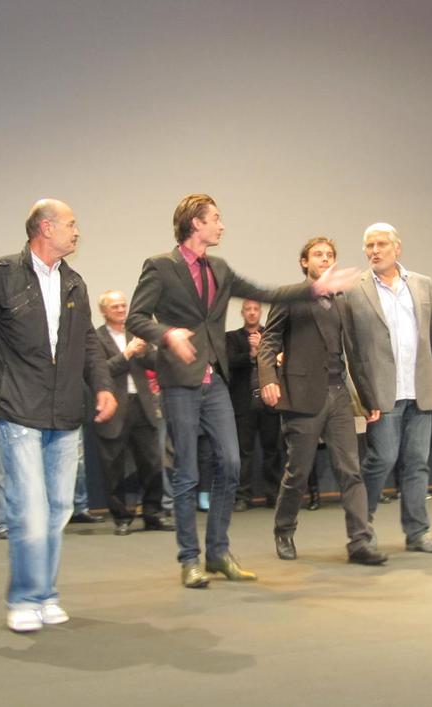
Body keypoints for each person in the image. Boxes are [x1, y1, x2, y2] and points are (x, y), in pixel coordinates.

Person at [126, 193, 357, 588]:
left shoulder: (219, 268)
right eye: (215, 218)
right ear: (196, 223)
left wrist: (314, 289)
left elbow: (266, 293)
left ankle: (218, 553)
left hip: (214, 379)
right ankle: (189, 559)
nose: (222, 225)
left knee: (231, 464)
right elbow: (136, 317)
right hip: (179, 381)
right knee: (186, 473)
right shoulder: (160, 266)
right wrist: (167, 334)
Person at [0, 198, 116, 633]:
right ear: (45, 228)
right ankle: (23, 599)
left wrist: (102, 385)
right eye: (71, 224)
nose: (77, 231)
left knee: (58, 509)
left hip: (65, 415)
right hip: (18, 411)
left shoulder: (74, 283)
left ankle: (46, 595)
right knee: (31, 510)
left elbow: (88, 344)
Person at [258, 237, 385, 565]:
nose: (325, 259)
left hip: (338, 394)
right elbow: (269, 341)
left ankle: (360, 541)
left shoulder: (342, 300)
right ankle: (284, 529)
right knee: (298, 472)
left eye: (330, 255)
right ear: (305, 262)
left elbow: (354, 351)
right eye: (318, 254)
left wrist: (368, 397)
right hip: (301, 395)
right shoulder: (290, 295)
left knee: (351, 471)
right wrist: (269, 378)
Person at [343, 222, 432, 554]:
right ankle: (362, 529)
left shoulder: (422, 284)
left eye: (381, 244)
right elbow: (351, 348)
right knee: (382, 458)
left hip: (419, 387)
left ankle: (418, 533)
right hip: (382, 392)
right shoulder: (354, 289)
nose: (374, 251)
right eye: (369, 245)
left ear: (397, 248)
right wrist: (360, 395)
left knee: (417, 462)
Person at [93, 290, 172, 536]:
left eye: (123, 305)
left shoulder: (135, 334)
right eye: (115, 306)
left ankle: (153, 514)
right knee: (113, 467)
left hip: (142, 404)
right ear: (103, 311)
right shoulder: (96, 338)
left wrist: (145, 351)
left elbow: (155, 363)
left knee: (152, 462)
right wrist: (127, 353)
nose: (121, 310)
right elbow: (100, 370)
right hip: (114, 406)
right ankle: (121, 518)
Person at [226, 299, 281, 511]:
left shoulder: (271, 336)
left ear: (260, 312)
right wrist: (251, 354)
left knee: (272, 450)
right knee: (244, 452)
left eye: (255, 309)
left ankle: (273, 494)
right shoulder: (232, 338)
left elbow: (280, 361)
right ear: (242, 313)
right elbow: (228, 363)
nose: (251, 313)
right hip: (243, 402)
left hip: (270, 401)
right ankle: (243, 496)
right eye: (247, 309)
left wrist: (262, 350)